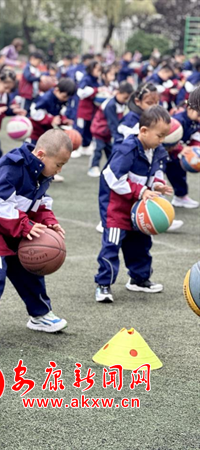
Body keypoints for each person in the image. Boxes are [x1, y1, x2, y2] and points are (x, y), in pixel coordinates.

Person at [0, 129, 72, 348]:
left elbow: (41, 203)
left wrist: (49, 221)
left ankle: (39, 315)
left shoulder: (42, 172)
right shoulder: (12, 166)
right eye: (58, 164)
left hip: (17, 229)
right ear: (41, 155)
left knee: (30, 271)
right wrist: (25, 225)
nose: (59, 170)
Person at [95, 106, 173, 303]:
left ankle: (139, 279)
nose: (162, 140)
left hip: (138, 208)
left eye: (165, 136)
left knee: (141, 243)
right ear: (143, 131)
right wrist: (141, 191)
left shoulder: (157, 150)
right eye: (160, 135)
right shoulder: (127, 149)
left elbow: (156, 172)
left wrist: (158, 185)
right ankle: (103, 284)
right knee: (111, 245)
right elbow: (113, 178)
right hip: (116, 209)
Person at [88, 81, 133, 177]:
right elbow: (113, 123)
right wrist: (119, 137)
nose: (126, 100)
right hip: (99, 131)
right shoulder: (110, 105)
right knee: (98, 149)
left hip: (107, 133)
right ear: (118, 93)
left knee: (110, 151)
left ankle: (112, 167)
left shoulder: (122, 104)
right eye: (125, 97)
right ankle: (93, 167)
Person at [164, 88, 200, 209]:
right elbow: (167, 139)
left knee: (179, 174)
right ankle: (156, 197)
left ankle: (180, 196)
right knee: (157, 174)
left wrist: (195, 149)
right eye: (199, 114)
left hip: (176, 156)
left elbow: (196, 137)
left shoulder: (196, 121)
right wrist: (180, 149)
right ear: (189, 108)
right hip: (164, 153)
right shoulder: (178, 120)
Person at [74, 60, 102, 156]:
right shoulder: (86, 79)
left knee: (88, 129)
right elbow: (81, 92)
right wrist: (96, 90)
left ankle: (85, 146)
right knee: (79, 128)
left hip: (92, 110)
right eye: (97, 68)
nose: (99, 71)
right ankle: (75, 148)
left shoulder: (96, 79)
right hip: (84, 110)